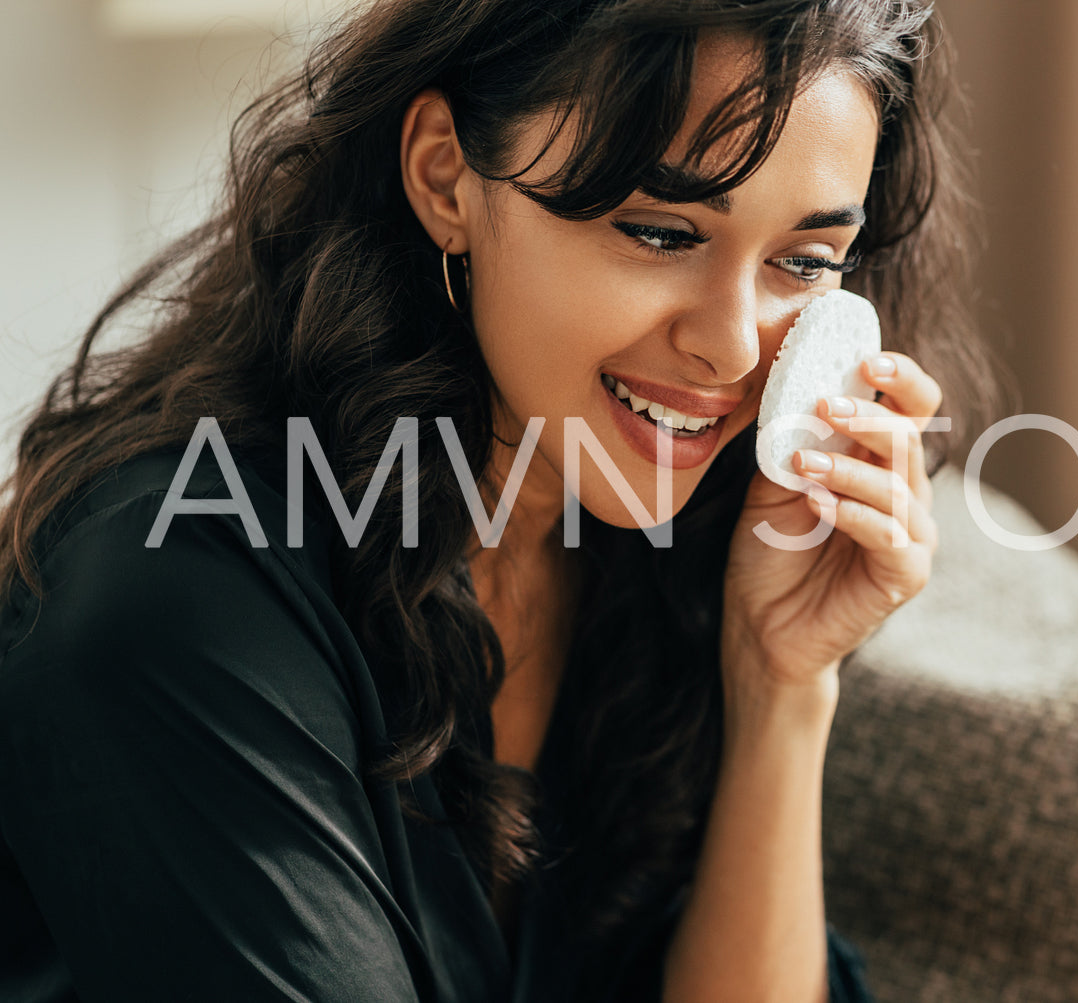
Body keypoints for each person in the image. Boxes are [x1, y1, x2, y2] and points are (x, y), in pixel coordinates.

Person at [0, 0, 1000, 1000]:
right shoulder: (175, 593)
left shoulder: (662, 545)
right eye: (658, 233)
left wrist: (781, 684)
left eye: (802, 262)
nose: (735, 347)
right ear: (445, 176)